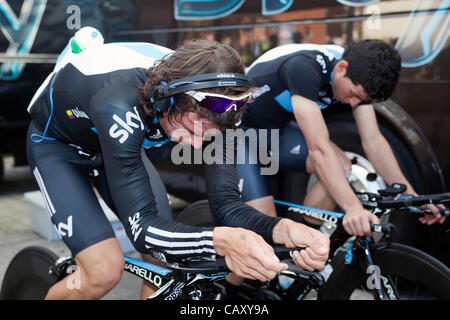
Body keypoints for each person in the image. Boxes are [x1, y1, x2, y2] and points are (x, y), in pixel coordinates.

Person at [26, 31, 329, 300]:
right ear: (166, 99)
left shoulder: (222, 110)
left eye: (210, 135)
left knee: (162, 260)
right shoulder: (118, 102)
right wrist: (221, 240)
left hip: (120, 148)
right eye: (194, 130)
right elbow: (142, 229)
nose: (197, 145)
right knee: (103, 271)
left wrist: (282, 230)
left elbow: (227, 206)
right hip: (59, 146)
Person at [222, 39, 446, 295]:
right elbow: (318, 151)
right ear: (341, 68)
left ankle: (295, 255)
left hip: (275, 133)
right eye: (352, 94)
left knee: (342, 164)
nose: (352, 103)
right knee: (263, 227)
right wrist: (352, 208)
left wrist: (412, 196)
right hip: (239, 134)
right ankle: (222, 293)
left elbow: (373, 141)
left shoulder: (357, 73)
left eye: (360, 100)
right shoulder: (305, 68)